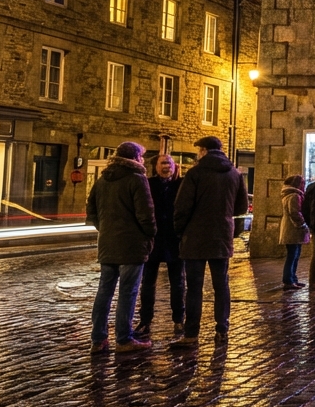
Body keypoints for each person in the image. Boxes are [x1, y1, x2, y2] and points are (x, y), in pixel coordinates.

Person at [171, 136, 249, 348]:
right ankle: (222, 329)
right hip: (221, 235)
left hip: (195, 236)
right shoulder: (234, 174)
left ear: (204, 150)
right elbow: (242, 207)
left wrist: (179, 231)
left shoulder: (196, 173)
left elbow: (182, 207)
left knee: (194, 287)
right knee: (221, 285)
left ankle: (191, 333)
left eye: (199, 150)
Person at [87, 141, 156, 353]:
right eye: (141, 157)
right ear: (135, 157)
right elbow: (146, 214)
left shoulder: (102, 179)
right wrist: (150, 235)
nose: (143, 161)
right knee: (128, 292)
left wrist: (105, 230)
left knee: (104, 292)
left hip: (108, 245)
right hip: (131, 246)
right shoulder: (137, 179)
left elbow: (91, 212)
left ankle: (98, 339)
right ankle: (124, 338)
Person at [136, 153, 184, 339]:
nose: (167, 167)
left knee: (178, 282)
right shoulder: (149, 184)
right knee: (148, 283)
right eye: (163, 163)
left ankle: (178, 319)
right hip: (153, 240)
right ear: (155, 166)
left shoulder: (180, 185)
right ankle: (145, 320)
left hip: (174, 240)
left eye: (169, 163)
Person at [278, 174, 309, 290]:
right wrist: (302, 224)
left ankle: (293, 279)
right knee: (292, 255)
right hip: (292, 229)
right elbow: (294, 213)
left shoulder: (291, 194)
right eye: (302, 183)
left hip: (292, 229)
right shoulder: (294, 196)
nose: (303, 185)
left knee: (295, 255)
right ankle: (288, 280)